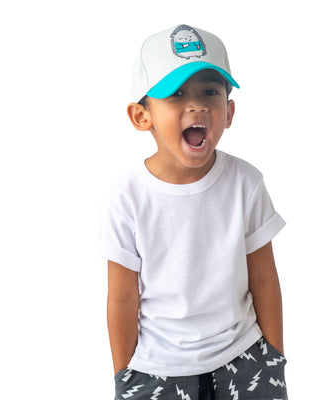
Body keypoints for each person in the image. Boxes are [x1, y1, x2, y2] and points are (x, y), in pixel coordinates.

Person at [100, 24, 288, 399]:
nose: (197, 105)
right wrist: (124, 376)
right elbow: (122, 297)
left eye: (210, 92)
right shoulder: (127, 197)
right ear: (141, 116)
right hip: (156, 371)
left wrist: (274, 359)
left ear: (229, 111)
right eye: (176, 93)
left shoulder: (246, 183)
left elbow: (264, 278)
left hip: (245, 359)